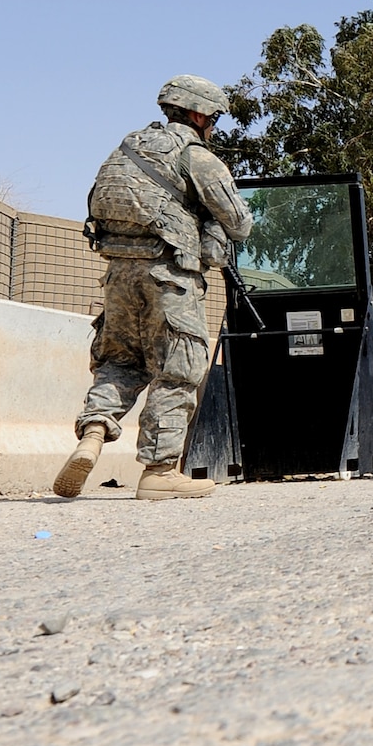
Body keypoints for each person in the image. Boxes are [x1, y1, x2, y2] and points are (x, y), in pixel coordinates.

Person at [54, 75, 254, 501]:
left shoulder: (127, 147)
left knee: (119, 362)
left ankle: (92, 434)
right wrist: (211, 226)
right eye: (213, 119)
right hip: (169, 276)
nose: (213, 127)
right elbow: (239, 222)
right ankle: (160, 470)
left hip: (118, 274)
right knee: (178, 369)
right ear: (198, 114)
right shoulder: (196, 156)